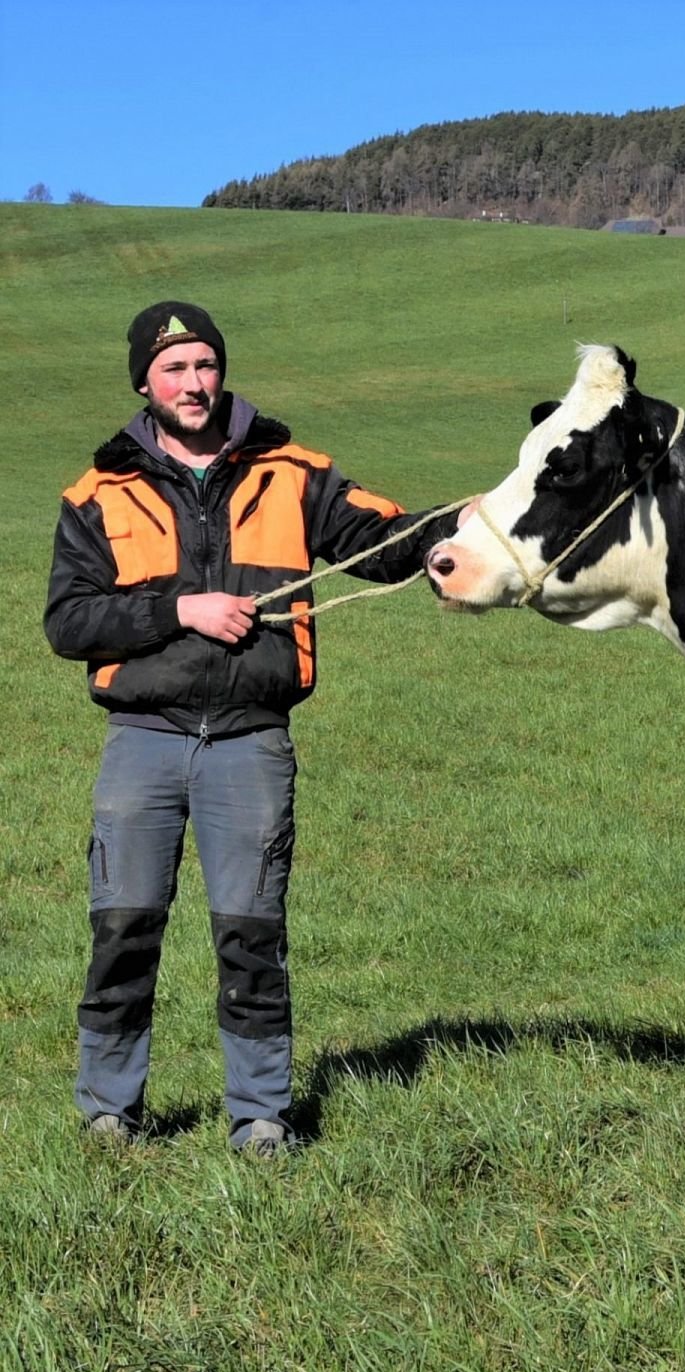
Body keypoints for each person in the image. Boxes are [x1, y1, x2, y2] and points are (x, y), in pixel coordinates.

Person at [45, 301, 457, 1155]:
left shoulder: (293, 471)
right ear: (144, 383)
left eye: (204, 365)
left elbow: (383, 539)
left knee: (252, 935)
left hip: (251, 741)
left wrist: (470, 524)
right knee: (123, 929)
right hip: (143, 741)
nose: (193, 383)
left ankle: (261, 1114)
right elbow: (69, 624)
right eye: (174, 370)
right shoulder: (97, 494)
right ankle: (109, 1110)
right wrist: (179, 610)